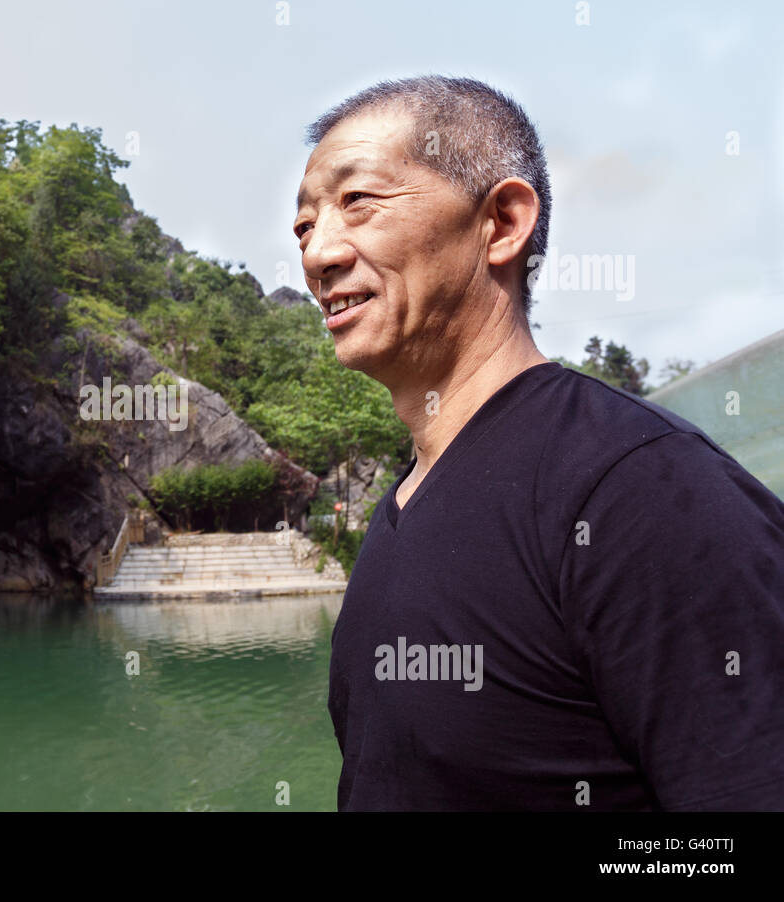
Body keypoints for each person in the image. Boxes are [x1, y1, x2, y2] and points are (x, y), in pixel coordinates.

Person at [295, 75, 784, 810]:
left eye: (358, 201)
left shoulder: (640, 490)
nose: (318, 253)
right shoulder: (402, 507)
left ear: (502, 222)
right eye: (303, 226)